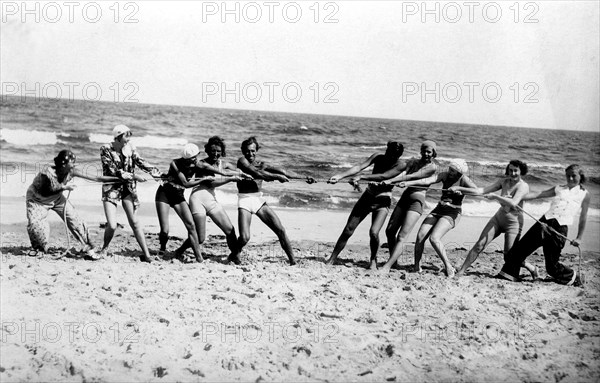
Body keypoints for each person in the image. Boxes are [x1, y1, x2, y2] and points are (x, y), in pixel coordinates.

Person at [496, 164, 590, 286]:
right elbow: (539, 194)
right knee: (519, 250)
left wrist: (579, 238)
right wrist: (517, 197)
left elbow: (583, 217)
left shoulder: (585, 194)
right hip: (544, 222)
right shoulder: (559, 188)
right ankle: (509, 275)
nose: (570, 179)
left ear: (580, 176)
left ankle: (574, 276)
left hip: (559, 229)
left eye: (574, 176)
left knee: (552, 267)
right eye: (568, 176)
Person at [234, 136, 315, 265]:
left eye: (253, 151)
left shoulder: (261, 164)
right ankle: (234, 254)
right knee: (244, 238)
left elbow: (284, 171)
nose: (250, 154)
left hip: (258, 200)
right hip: (244, 200)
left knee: (281, 230)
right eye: (248, 151)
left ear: (257, 151)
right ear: (243, 151)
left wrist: (304, 177)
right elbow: (257, 174)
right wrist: (277, 177)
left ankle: (293, 261)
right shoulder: (241, 161)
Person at [325, 141, 406, 269]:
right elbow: (359, 166)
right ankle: (332, 258)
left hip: (383, 201)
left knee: (374, 232)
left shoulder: (401, 165)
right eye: (388, 153)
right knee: (348, 230)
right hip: (367, 197)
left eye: (393, 155)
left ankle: (373, 259)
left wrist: (361, 177)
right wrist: (340, 176)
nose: (389, 156)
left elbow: (383, 176)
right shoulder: (378, 157)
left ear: (398, 156)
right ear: (386, 150)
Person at [168, 137, 251, 261]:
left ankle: (235, 255)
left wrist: (246, 173)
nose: (215, 154)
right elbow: (211, 184)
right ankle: (179, 251)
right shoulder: (201, 164)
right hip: (197, 200)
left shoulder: (224, 164)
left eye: (218, 151)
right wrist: (231, 179)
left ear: (222, 151)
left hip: (211, 200)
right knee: (200, 238)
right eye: (213, 151)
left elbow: (237, 170)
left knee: (230, 230)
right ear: (207, 151)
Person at [26, 150, 118, 257]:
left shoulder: (72, 171)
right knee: (35, 224)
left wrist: (121, 179)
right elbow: (48, 190)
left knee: (75, 220)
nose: (74, 164)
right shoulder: (46, 173)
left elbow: (97, 178)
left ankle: (88, 245)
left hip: (57, 198)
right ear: (63, 164)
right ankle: (39, 248)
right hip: (37, 199)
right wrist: (64, 187)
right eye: (72, 162)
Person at [455, 160, 538, 278]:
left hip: (514, 222)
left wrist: (495, 197)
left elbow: (514, 203)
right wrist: (461, 189)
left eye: (516, 171)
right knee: (480, 245)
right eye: (511, 170)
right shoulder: (503, 181)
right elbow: (482, 191)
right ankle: (462, 270)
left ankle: (531, 268)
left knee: (509, 256)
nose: (513, 173)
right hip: (499, 218)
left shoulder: (523, 186)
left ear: (521, 172)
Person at [399, 159, 478, 277]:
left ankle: (448, 266)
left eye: (453, 170)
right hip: (439, 209)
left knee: (434, 238)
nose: (449, 171)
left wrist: (460, 189)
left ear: (459, 172)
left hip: (453, 212)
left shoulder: (464, 179)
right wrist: (408, 183)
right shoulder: (444, 175)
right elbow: (427, 180)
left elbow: (477, 191)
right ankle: (416, 267)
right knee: (420, 235)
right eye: (450, 169)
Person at [99, 125, 162, 262]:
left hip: (128, 188)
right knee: (112, 225)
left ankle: (146, 255)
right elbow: (113, 170)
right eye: (126, 137)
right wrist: (134, 176)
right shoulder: (105, 149)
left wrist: (157, 173)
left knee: (134, 222)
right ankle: (104, 248)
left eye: (129, 137)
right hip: (111, 187)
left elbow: (141, 162)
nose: (128, 140)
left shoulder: (130, 148)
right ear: (118, 136)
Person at [378, 140, 439, 273]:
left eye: (429, 151)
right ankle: (394, 262)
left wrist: (392, 181)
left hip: (416, 201)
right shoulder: (413, 162)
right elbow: (402, 173)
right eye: (424, 151)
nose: (426, 154)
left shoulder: (433, 167)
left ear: (434, 153)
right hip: (405, 198)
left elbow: (413, 176)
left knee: (401, 236)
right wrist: (386, 178)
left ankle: (387, 266)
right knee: (389, 231)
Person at [154, 143, 218, 263]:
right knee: (165, 230)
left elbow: (218, 171)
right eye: (188, 159)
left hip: (178, 195)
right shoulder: (174, 163)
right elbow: (186, 184)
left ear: (197, 155)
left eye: (194, 158)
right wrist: (203, 180)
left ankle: (199, 258)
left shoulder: (198, 164)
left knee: (191, 226)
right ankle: (162, 248)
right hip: (164, 193)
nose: (192, 161)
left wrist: (235, 175)